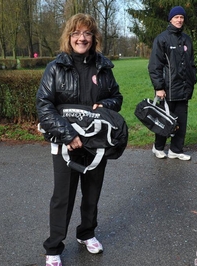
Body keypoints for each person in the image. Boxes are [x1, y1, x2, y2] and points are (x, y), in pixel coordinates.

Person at [36, 13, 123, 266]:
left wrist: (105, 103)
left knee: (92, 192)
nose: (81, 38)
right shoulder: (56, 68)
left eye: (86, 33)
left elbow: (117, 98)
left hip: (96, 142)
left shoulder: (103, 67)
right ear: (69, 37)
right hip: (65, 143)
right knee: (63, 196)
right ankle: (53, 247)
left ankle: (87, 233)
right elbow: (44, 105)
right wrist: (68, 135)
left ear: (94, 37)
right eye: (76, 33)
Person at [148, 6, 197, 161]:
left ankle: (176, 150)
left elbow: (191, 63)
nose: (179, 20)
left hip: (184, 89)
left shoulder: (187, 39)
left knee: (181, 121)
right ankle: (158, 147)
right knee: (164, 120)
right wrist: (159, 87)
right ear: (170, 19)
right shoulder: (162, 39)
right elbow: (155, 65)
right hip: (167, 89)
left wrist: (192, 79)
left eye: (182, 17)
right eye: (176, 17)